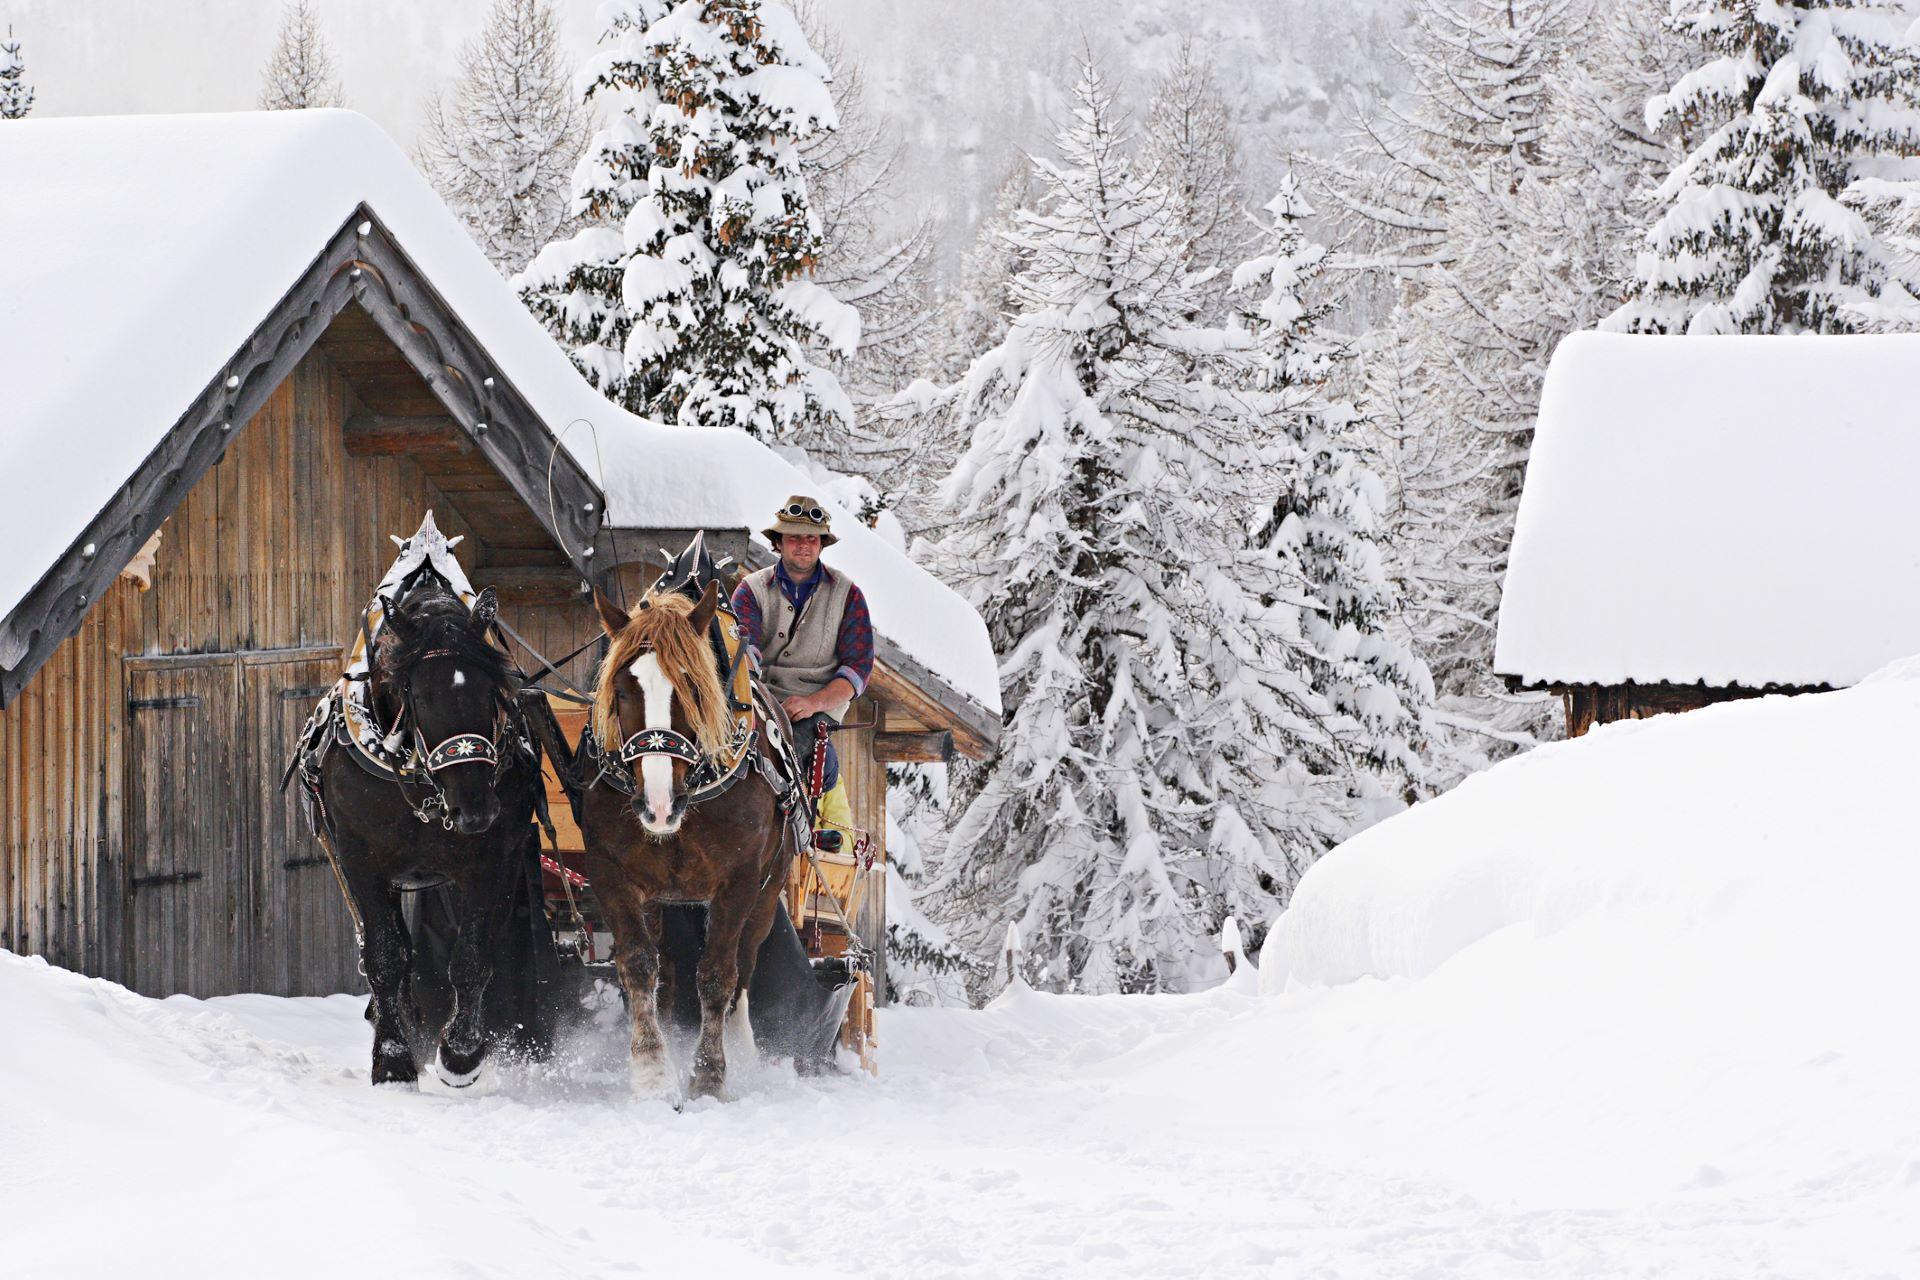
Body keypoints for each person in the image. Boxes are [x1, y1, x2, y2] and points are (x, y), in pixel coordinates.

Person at [730, 496, 874, 843]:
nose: (804, 545)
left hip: (815, 703)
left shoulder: (848, 594)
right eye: (794, 537)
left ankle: (801, 830)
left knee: (800, 749)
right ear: (777, 543)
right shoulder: (749, 590)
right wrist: (751, 683)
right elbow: (742, 646)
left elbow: (857, 668)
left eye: (812, 538)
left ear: (822, 543)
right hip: (758, 695)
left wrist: (815, 702)